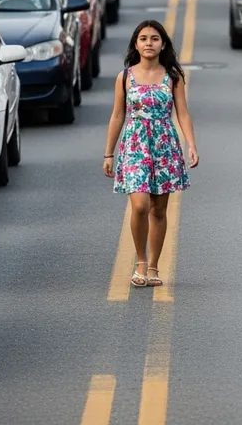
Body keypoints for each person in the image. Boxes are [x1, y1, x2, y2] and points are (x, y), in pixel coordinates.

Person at [103, 20, 199, 289]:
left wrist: (191, 145)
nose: (149, 43)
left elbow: (183, 113)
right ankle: (141, 261)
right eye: (143, 38)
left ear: (163, 44)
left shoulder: (173, 77)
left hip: (164, 146)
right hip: (135, 145)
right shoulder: (125, 77)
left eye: (154, 38)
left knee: (159, 209)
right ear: (136, 44)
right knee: (140, 205)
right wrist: (108, 154)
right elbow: (117, 115)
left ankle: (154, 265)